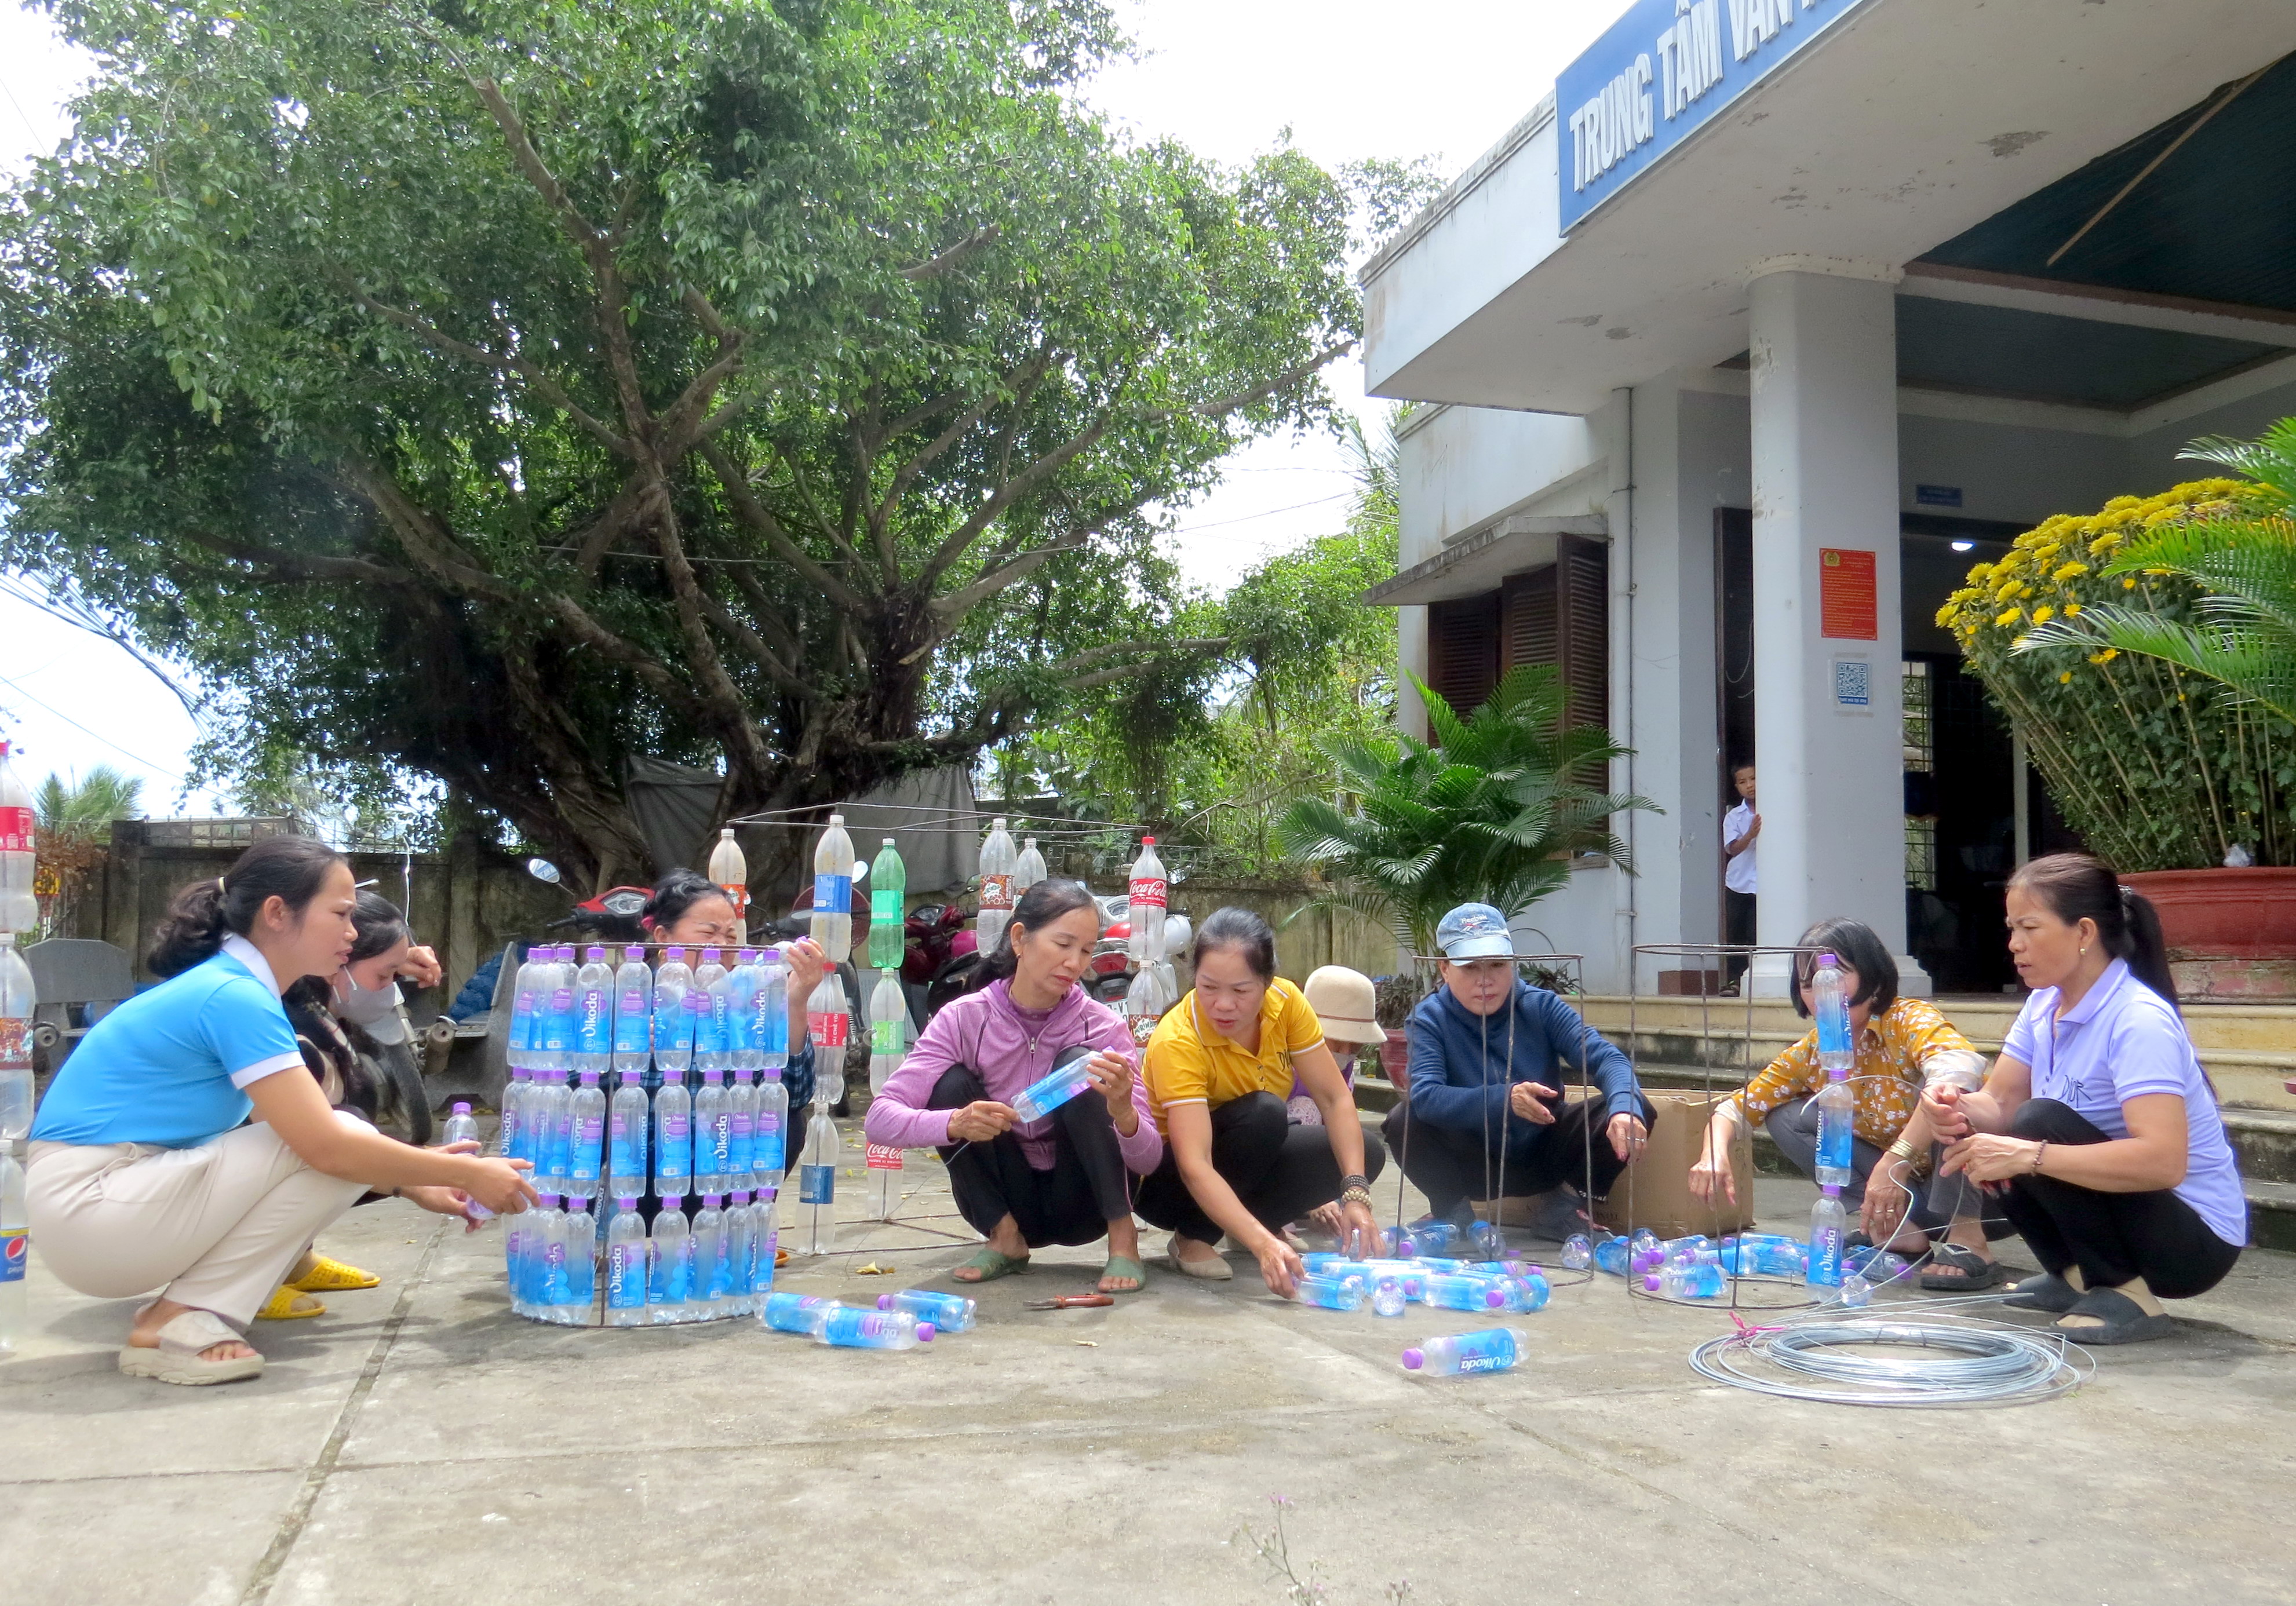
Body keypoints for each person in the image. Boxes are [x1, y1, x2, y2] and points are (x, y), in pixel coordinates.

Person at [25, 837, 537, 1386]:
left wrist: (412, 1181)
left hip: (109, 1207)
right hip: (94, 1207)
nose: (352, 932)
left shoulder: (238, 989)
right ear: (276, 913)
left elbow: (301, 1141)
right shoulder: (235, 997)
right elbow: (322, 1144)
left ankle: (185, 1313)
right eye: (340, 914)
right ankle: (171, 1323)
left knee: (347, 1140)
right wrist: (465, 1171)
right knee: (340, 1134)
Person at [1925, 853, 2246, 1344]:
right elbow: (1999, 1103)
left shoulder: (2137, 1020)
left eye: (2030, 928)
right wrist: (1954, 1106)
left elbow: (2164, 1163)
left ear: (2084, 933)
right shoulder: (2043, 1004)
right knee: (1993, 1134)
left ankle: (2126, 1291)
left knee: (2037, 1124)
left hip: (2192, 1243)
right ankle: (2075, 1277)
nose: (2014, 944)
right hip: (2129, 1214)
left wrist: (2030, 1154)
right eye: (2012, 928)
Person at [865, 879, 1158, 1293]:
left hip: (1083, 1201)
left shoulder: (1102, 1026)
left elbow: (1148, 1161)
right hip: (1009, 1197)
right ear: (1020, 938)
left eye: (1087, 950)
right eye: (1063, 944)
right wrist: (955, 1123)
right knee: (949, 1087)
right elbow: (879, 1121)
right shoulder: (964, 1019)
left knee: (1084, 1067)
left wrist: (1125, 1111)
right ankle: (1006, 1239)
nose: (1074, 963)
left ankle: (1124, 1241)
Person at [1687, 918, 2003, 1288]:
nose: (1821, 992)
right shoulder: (1810, 1053)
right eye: (1809, 984)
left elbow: (1958, 1067)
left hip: (1983, 1191)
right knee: (1789, 1116)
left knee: (1950, 1098)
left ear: (1874, 979)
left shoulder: (1906, 1019)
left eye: (1836, 977)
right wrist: (1713, 1154)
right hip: (1902, 1195)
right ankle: (1899, 1234)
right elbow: (1736, 1108)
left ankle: (1969, 1240)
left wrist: (1894, 1160)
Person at [1136, 908, 1386, 1294]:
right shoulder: (1178, 1039)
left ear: (1267, 983)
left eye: (1240, 990)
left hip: (1247, 1152)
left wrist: (1355, 1193)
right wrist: (1263, 1245)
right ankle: (1193, 1236)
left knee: (1366, 1153)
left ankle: (1249, 1223)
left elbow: (1335, 1098)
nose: (1222, 1004)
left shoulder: (1287, 1002)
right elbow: (1194, 1164)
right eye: (1208, 987)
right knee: (1265, 1114)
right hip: (1168, 1185)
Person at [1381, 903, 1653, 1240]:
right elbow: (1426, 1096)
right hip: (1471, 1163)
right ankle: (1452, 1211)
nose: (1485, 980)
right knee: (1403, 1120)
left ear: (1513, 964)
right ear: (1445, 970)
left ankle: (1565, 1206)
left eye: (1497, 964)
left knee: (1634, 1105)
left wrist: (1625, 1109)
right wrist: (1504, 1099)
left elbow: (1607, 1059)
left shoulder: (1543, 1006)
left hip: (1545, 1154)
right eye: (1470, 967)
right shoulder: (1430, 1018)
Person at [253, 891, 446, 1321]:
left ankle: (292, 1259)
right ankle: (245, 1278)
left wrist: (394, 953)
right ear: (338, 961)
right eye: (386, 975)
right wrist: (422, 1177)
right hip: (159, 1202)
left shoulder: (310, 1011)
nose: (392, 986)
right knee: (348, 1135)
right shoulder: (280, 1030)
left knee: (359, 1124)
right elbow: (317, 1149)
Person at [642, 866, 830, 1128]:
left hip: (727, 1151)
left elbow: (794, 1097)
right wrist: (625, 1046)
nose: (722, 946)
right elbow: (572, 1087)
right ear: (663, 937)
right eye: (708, 933)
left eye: (731, 936)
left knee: (793, 1124)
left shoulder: (749, 999)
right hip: (648, 1150)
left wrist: (796, 1002)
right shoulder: (630, 998)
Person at [1722, 762, 1759, 988]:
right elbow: (1732, 848)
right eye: (1743, 782)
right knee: (1737, 935)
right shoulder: (1735, 816)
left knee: (1756, 933)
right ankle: (1735, 981)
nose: (1750, 786)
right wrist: (1751, 835)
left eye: (1753, 779)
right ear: (1737, 787)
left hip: (1767, 885)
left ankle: (1756, 980)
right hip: (1739, 882)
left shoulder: (1777, 808)